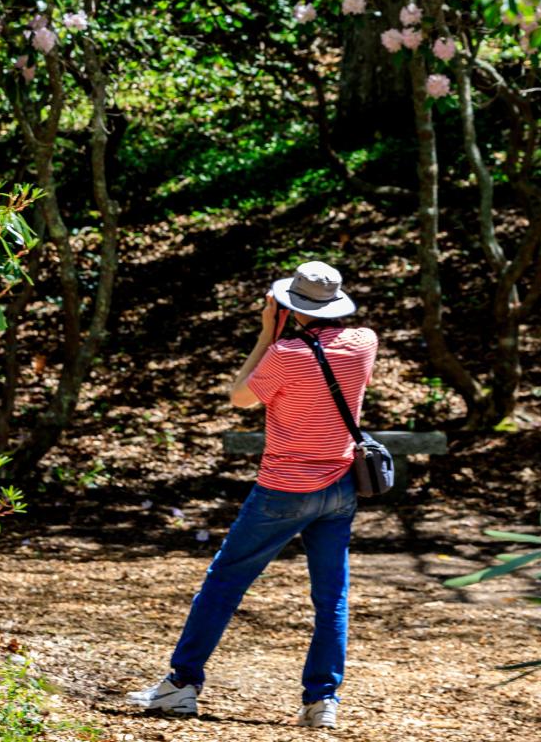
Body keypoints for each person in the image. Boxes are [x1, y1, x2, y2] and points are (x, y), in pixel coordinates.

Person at [128, 260, 378, 729]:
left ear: (288, 305)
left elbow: (239, 397)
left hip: (282, 489)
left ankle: (181, 685)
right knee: (332, 598)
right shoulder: (364, 343)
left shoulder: (285, 353)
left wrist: (267, 335)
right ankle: (322, 701)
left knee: (224, 582)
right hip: (340, 488)